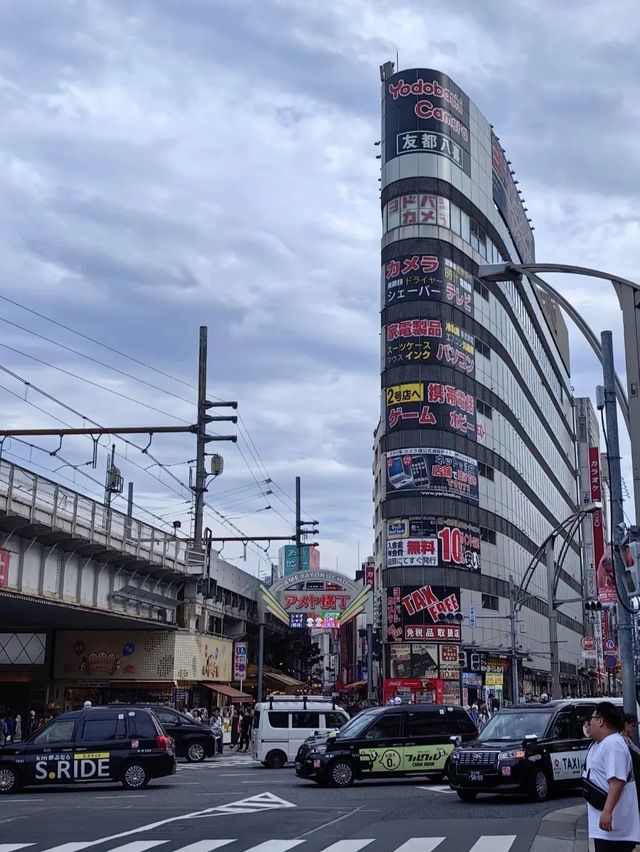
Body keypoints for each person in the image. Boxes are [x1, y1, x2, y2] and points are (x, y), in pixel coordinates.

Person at [584, 701, 640, 851]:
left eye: (592, 719)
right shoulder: (602, 743)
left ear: (601, 721)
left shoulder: (613, 745)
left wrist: (607, 811)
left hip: (615, 828)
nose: (590, 723)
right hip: (606, 828)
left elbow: (617, 781)